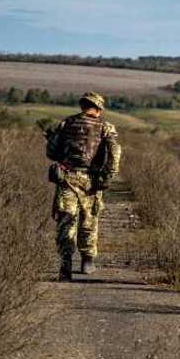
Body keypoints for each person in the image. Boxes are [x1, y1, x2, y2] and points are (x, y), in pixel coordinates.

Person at [44, 91, 121, 281]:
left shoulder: (66, 123)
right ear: (99, 108)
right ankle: (87, 260)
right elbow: (115, 152)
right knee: (89, 220)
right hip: (92, 181)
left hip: (67, 178)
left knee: (66, 221)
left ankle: (65, 264)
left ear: (83, 105)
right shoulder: (106, 127)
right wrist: (109, 175)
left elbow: (52, 152)